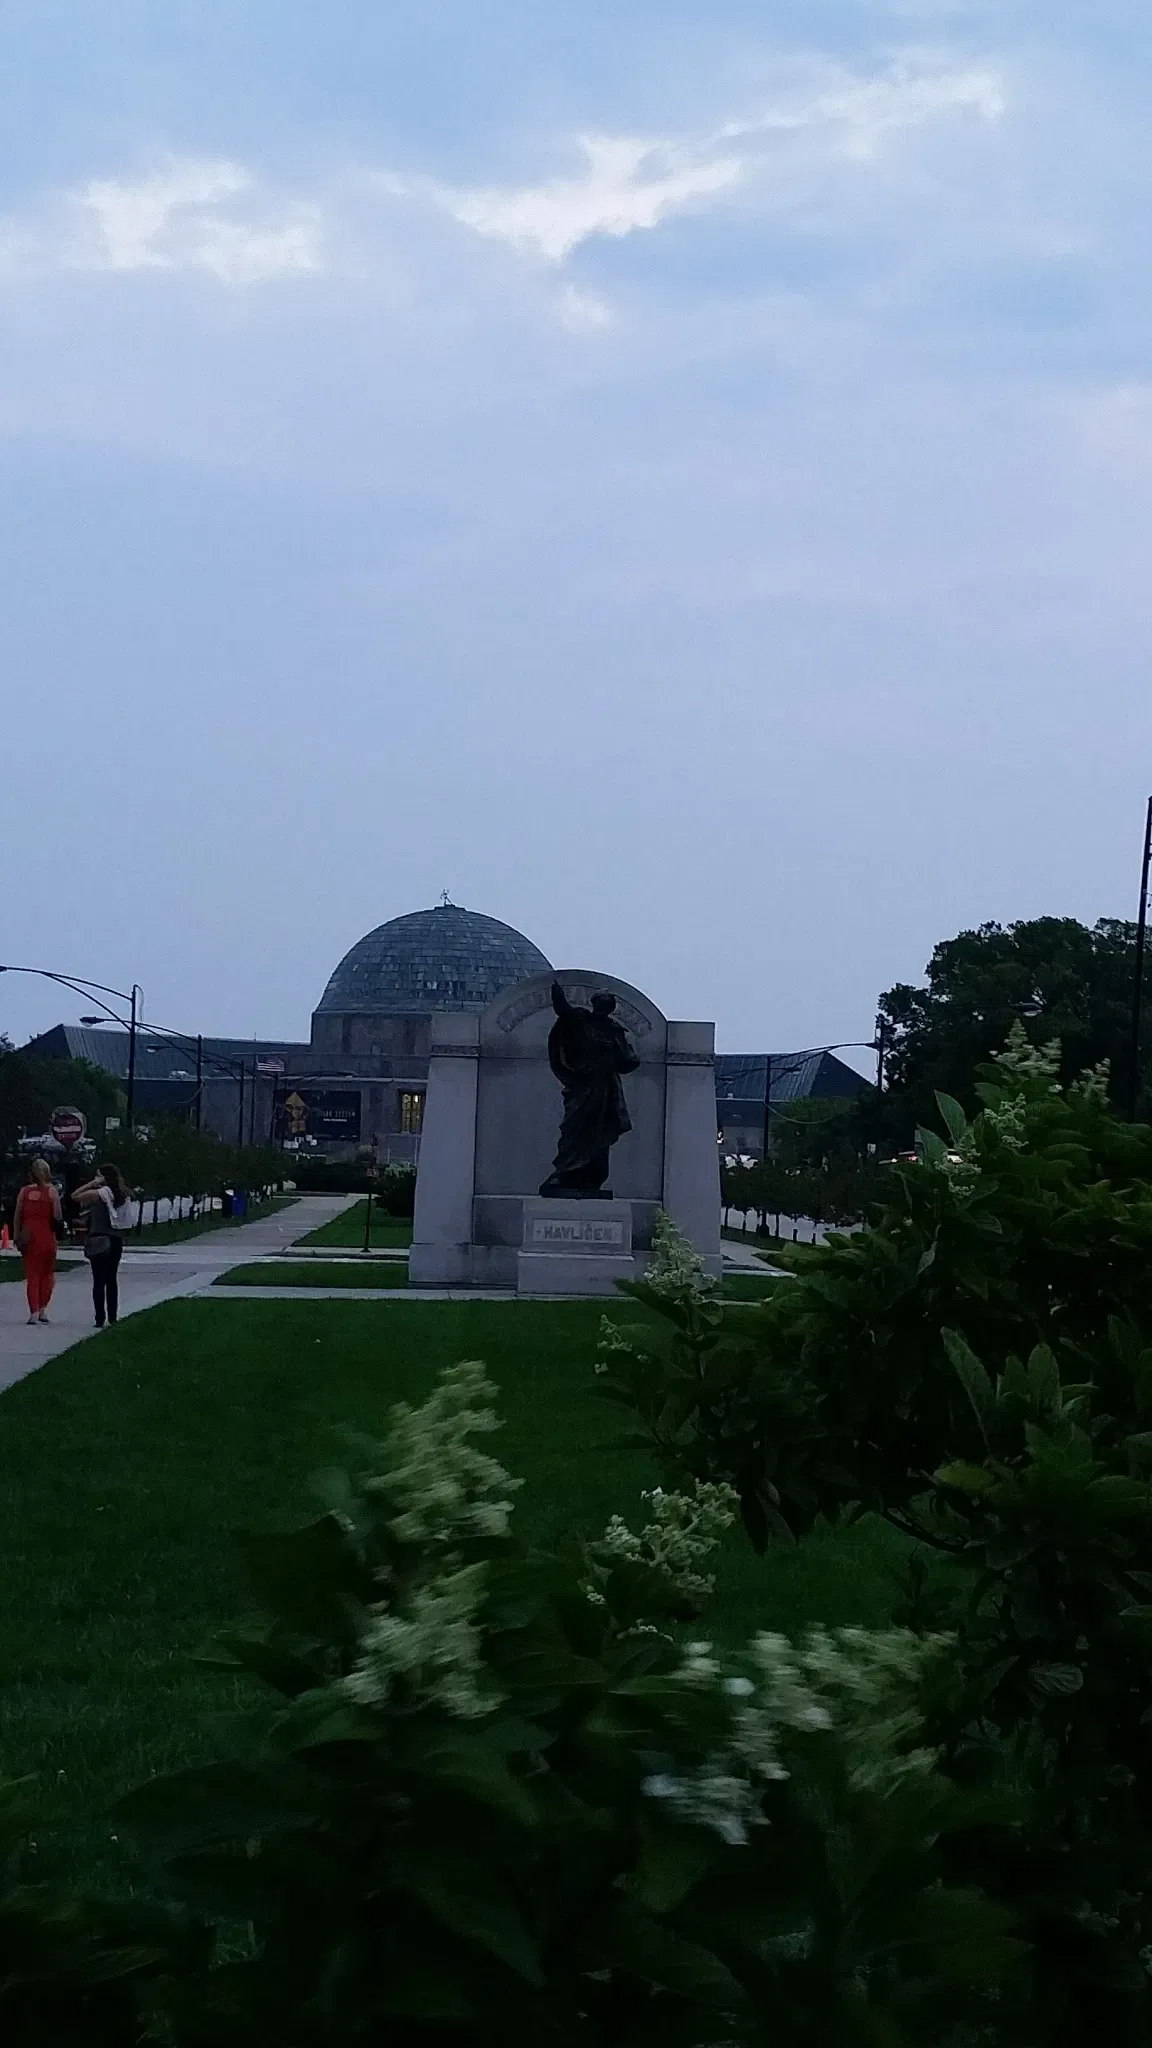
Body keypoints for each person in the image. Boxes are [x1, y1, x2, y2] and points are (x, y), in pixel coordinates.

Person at [74, 1164, 133, 1329]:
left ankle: (100, 1318)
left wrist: (92, 1183)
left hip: (99, 1238)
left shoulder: (99, 1195)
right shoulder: (122, 1194)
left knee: (99, 1281)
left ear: (104, 1177)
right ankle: (113, 1316)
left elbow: (75, 1196)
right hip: (115, 1239)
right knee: (112, 1279)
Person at [13, 1158, 63, 1325]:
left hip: (29, 1237)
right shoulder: (52, 1192)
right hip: (47, 1237)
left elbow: (17, 1216)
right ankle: (43, 1309)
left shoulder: (25, 1192)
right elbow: (57, 1217)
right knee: (47, 1274)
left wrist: (16, 1235)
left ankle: (33, 1312)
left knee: (32, 1275)